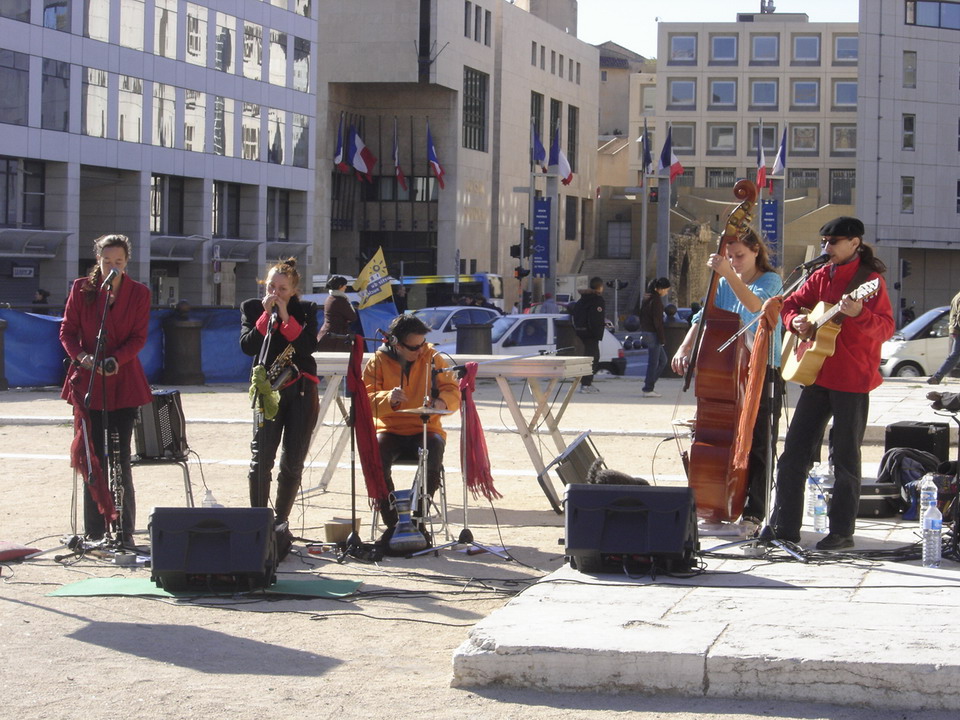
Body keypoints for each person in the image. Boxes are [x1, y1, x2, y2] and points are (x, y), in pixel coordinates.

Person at [770, 217, 894, 550]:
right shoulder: (821, 275)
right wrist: (794, 321)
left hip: (852, 378)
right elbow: (793, 304)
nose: (827, 248)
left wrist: (858, 314)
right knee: (794, 453)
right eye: (824, 241)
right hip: (816, 374)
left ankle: (841, 531)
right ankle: (785, 527)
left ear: (855, 243)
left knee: (844, 457)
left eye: (834, 242)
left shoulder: (871, 282)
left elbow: (885, 329)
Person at [671, 228, 784, 525]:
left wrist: (725, 273)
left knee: (758, 442)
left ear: (756, 251)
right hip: (729, 371)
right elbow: (703, 318)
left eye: (740, 256)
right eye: (729, 256)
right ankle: (716, 502)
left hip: (761, 371)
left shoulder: (770, 281)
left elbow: (755, 307)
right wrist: (685, 346)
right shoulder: (723, 283)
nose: (734, 262)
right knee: (720, 439)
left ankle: (755, 510)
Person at [59, 234, 152, 546]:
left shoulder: (139, 293)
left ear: (127, 263)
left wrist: (115, 360)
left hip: (123, 382)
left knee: (120, 457)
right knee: (93, 458)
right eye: (107, 261)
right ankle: (95, 531)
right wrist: (84, 358)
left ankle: (125, 531)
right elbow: (68, 331)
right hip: (88, 382)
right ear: (97, 260)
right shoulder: (81, 288)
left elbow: (139, 337)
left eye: (119, 262)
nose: (113, 267)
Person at [240, 258, 320, 535]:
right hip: (268, 389)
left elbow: (309, 347)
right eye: (271, 287)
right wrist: (265, 318)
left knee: (292, 460)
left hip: (300, 388)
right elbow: (247, 346)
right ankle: (258, 520)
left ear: (293, 290)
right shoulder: (252, 308)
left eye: (282, 289)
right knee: (261, 457)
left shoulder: (306, 310)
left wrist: (286, 318)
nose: (275, 293)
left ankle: (281, 521)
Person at [362, 314, 460, 533]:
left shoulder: (433, 357)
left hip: (426, 427)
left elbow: (452, 389)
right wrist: (389, 399)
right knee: (376, 454)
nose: (420, 350)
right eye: (414, 347)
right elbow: (364, 401)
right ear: (395, 342)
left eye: (422, 344)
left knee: (434, 448)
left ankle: (419, 515)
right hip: (389, 428)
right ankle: (392, 520)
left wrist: (442, 403)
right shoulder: (377, 361)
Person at [637, 277, 671, 398]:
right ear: (660, 289)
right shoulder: (656, 301)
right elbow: (658, 321)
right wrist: (662, 338)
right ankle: (648, 388)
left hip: (646, 332)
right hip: (653, 333)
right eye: (666, 290)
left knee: (662, 360)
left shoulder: (646, 298)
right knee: (655, 362)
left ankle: (649, 385)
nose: (666, 292)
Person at [573, 276, 606, 393]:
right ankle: (586, 384)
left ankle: (586, 383)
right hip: (591, 333)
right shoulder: (597, 300)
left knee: (588, 357)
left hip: (581, 331)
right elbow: (596, 318)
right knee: (593, 358)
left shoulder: (582, 300)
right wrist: (598, 333)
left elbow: (575, 313)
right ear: (600, 287)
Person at [316, 274, 357, 351]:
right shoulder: (340, 300)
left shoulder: (330, 298)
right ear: (340, 286)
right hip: (336, 338)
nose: (346, 287)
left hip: (327, 335)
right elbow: (353, 317)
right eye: (345, 285)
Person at [927, 288, 960, 384]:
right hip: (958, 330)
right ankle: (937, 377)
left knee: (954, 355)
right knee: (954, 356)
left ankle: (937, 377)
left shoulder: (957, 296)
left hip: (955, 330)